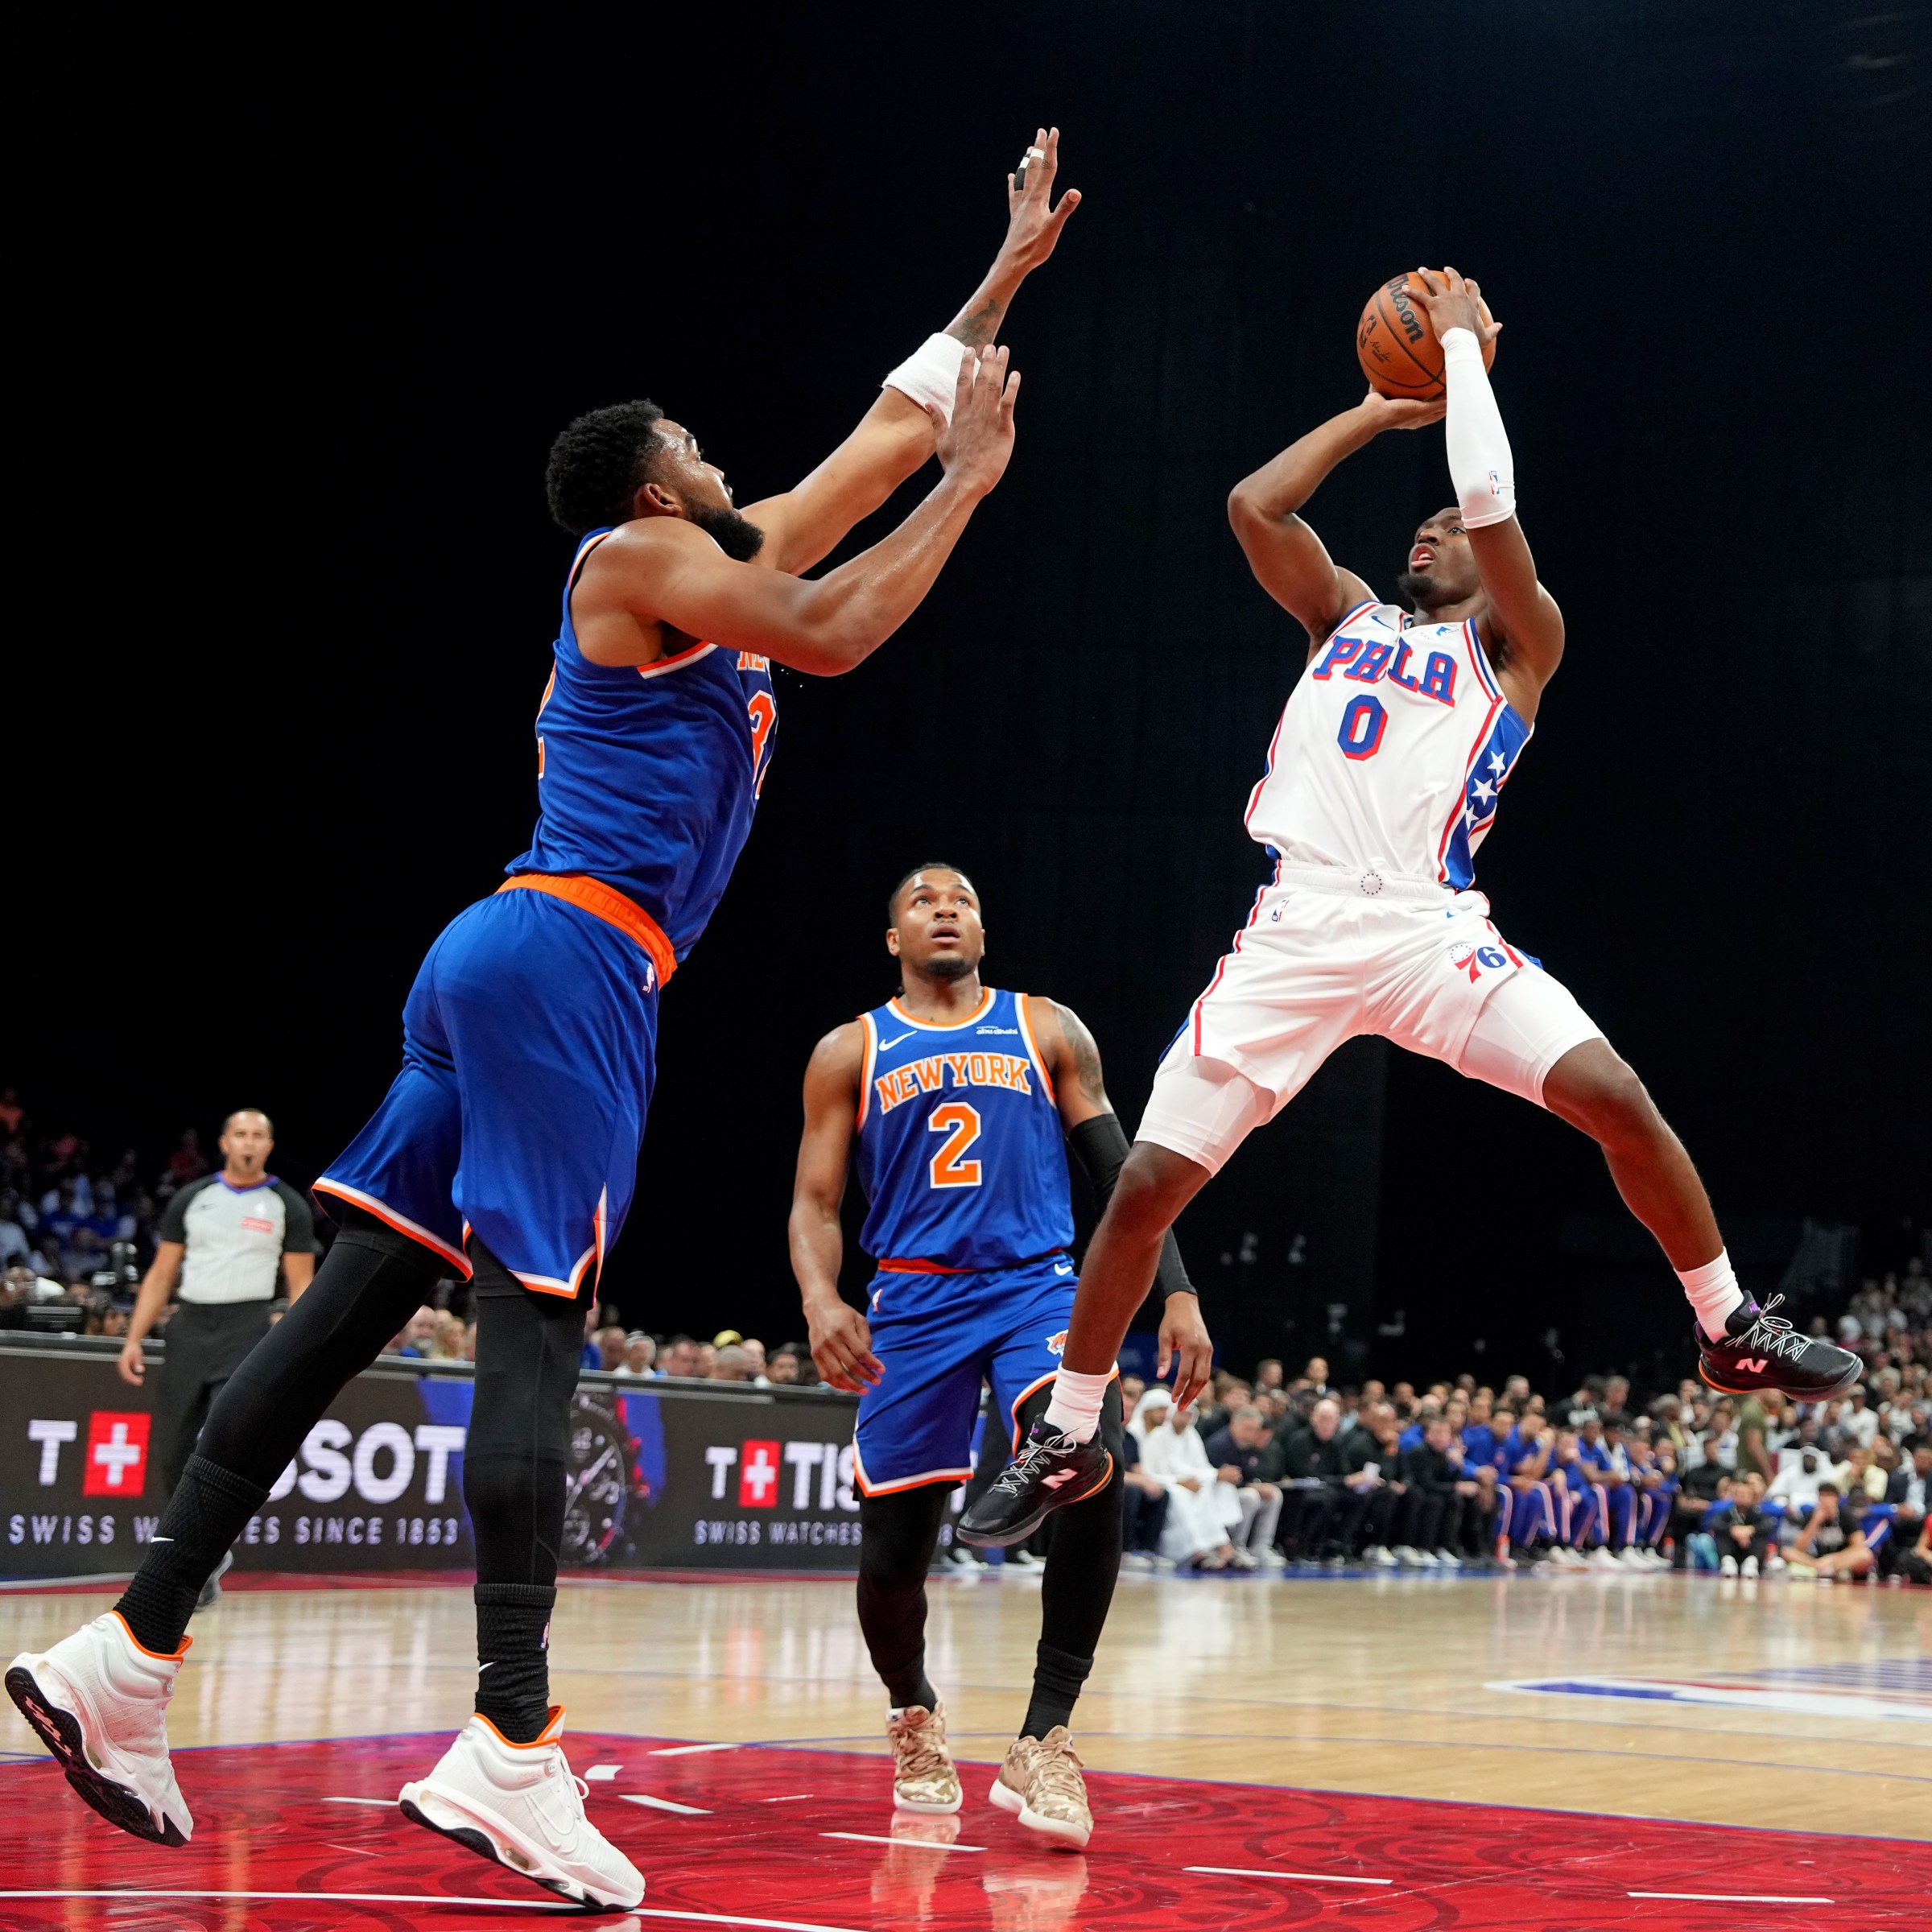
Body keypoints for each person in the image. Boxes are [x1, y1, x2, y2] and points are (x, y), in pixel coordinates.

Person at [9, 131, 1075, 1910]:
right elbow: (832, 622)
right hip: (569, 964)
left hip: (503, 961)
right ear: (653, 486)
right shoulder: (630, 563)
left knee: (351, 1310)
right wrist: (969, 492)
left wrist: (1001, 281)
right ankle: (510, 1743)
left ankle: (122, 1657)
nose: (730, 464)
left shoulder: (694, 580)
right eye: (702, 454)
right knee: (533, 1342)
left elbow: (873, 441)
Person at [962, 268, 1864, 1549]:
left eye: (1446, 528)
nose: (1429, 532)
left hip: (1434, 927)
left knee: (1615, 1094)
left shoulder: (1518, 644)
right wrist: (1376, 411)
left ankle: (1728, 1328)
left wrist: (1460, 357)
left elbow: (1492, 499)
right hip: (1297, 927)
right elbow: (1252, 504)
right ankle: (1068, 1436)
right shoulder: (1344, 615)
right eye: (1422, 524)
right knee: (1146, 1189)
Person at [789, 859, 1197, 1851]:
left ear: (982, 931)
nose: (945, 910)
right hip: (913, 1301)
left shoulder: (1047, 1027)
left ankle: (1046, 1738)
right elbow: (815, 1203)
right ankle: (915, 1714)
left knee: (1088, 1455)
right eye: (924, 902)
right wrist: (819, 1298)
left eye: (962, 900)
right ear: (894, 937)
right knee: (893, 1553)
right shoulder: (851, 1049)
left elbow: (1125, 1177)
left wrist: (1177, 1290)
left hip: (1034, 1287)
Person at [114, 1111, 317, 1608]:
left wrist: (305, 1347)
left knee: (226, 1441)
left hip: (247, 1328)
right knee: (172, 1449)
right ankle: (198, 1552)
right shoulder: (194, 1197)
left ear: (270, 1145)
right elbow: (162, 1274)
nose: (248, 1143)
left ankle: (202, 1550)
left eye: (258, 1135)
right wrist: (134, 1337)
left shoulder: (286, 1204)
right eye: (240, 1134)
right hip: (189, 1327)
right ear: (225, 1142)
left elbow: (301, 1288)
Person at [1129, 1389, 1239, 1571]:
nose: (1185, 1419)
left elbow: (1199, 1465)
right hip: (1159, 1483)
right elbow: (1148, 1471)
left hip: (1179, 1482)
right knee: (1179, 1495)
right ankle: (1196, 1552)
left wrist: (1212, 1475)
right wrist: (1179, 1481)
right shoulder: (1151, 1434)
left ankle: (1222, 1547)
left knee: (1205, 1491)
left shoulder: (1189, 1435)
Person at [1201, 1406, 1284, 1567]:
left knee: (1274, 1494)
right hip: (1215, 1496)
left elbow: (1250, 1474)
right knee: (1250, 1496)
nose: (1251, 1433)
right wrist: (1250, 1486)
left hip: (1236, 1491)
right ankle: (1236, 1546)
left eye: (1254, 1429)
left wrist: (1256, 1485)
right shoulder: (1218, 1445)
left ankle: (1261, 1546)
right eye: (1247, 1428)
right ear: (1234, 1424)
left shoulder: (1248, 1446)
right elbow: (1216, 1479)